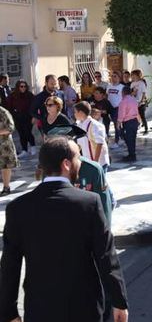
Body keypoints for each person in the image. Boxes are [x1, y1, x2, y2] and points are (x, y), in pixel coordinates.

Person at [0, 137, 128, 322]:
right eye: (78, 157)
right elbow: (106, 256)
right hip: (84, 306)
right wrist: (119, 301)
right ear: (66, 164)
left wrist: (9, 313)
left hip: (40, 307)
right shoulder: (89, 203)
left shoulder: (18, 208)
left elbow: (9, 265)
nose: (81, 163)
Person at [74, 101, 110, 173]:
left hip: (98, 162)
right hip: (88, 161)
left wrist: (95, 163)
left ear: (80, 112)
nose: (74, 114)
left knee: (100, 183)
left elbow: (99, 144)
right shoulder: (79, 125)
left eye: (75, 112)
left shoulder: (95, 125)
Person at [7, 80, 35, 158]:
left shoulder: (29, 95)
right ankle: (24, 150)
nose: (23, 88)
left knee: (28, 132)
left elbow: (34, 106)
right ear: (18, 87)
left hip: (28, 117)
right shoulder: (13, 95)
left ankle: (33, 147)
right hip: (17, 117)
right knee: (21, 134)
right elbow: (9, 106)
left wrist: (34, 116)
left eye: (25, 86)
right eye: (21, 86)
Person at [117, 86, 141, 162]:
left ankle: (132, 156)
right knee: (132, 139)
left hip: (128, 122)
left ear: (123, 92)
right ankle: (132, 154)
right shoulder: (134, 100)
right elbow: (137, 112)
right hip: (134, 121)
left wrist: (118, 123)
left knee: (128, 139)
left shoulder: (123, 102)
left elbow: (121, 114)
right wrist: (139, 121)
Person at [0, 106, 18, 197]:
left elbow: (10, 128)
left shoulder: (3, 112)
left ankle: (6, 187)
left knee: (5, 166)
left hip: (4, 145)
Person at [107, 72, 125, 149]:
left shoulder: (122, 87)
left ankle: (117, 141)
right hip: (110, 108)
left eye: (115, 76)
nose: (113, 78)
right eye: (112, 76)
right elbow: (107, 95)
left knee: (116, 125)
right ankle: (123, 138)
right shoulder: (109, 86)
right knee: (117, 125)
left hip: (118, 108)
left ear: (119, 78)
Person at [129, 69, 148, 135]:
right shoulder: (132, 84)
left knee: (142, 116)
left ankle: (146, 129)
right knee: (135, 116)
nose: (132, 77)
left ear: (138, 75)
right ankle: (136, 128)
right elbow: (130, 93)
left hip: (141, 103)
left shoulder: (142, 83)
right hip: (134, 103)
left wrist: (141, 102)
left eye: (133, 75)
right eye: (132, 76)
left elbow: (144, 93)